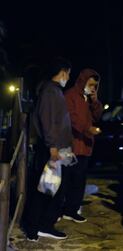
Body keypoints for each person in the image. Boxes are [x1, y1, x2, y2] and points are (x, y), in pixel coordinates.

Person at [24, 57, 72, 241]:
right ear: (63, 72)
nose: (68, 77)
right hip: (52, 149)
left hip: (56, 148)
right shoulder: (51, 92)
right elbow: (48, 121)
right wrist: (53, 146)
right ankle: (36, 227)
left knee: (50, 188)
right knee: (45, 189)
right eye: (68, 73)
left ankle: (42, 225)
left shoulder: (52, 90)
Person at [63, 68, 103, 222]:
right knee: (67, 180)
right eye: (91, 84)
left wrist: (95, 101)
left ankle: (72, 210)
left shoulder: (87, 98)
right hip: (71, 145)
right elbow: (72, 119)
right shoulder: (70, 95)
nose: (92, 87)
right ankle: (63, 209)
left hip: (84, 146)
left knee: (79, 181)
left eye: (95, 85)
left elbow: (97, 116)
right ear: (83, 81)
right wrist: (88, 129)